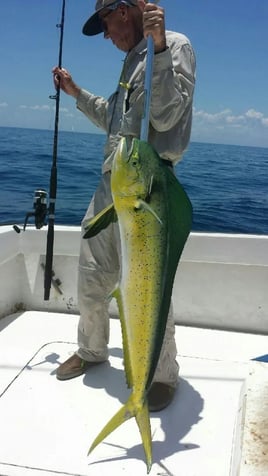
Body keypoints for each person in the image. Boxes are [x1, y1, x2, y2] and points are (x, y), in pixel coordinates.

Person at [53, 0, 196, 411]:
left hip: (150, 190)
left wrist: (161, 48)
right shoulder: (130, 62)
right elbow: (117, 119)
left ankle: (162, 373)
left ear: (122, 11)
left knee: (148, 285)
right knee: (92, 273)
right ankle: (92, 349)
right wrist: (76, 92)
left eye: (105, 25)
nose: (106, 36)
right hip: (113, 186)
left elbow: (168, 117)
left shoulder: (173, 46)